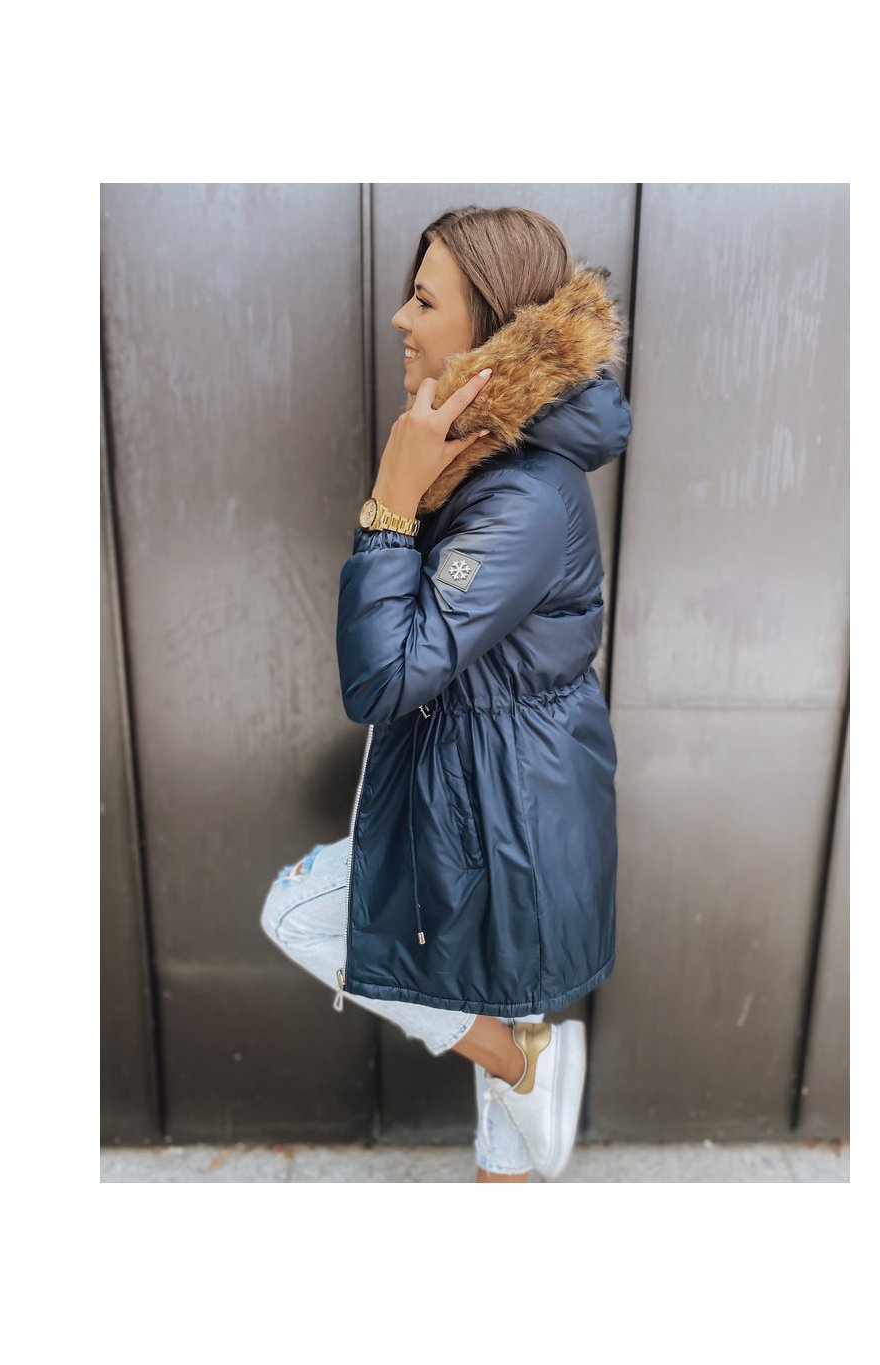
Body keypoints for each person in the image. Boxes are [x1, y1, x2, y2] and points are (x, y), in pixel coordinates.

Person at [260, 205, 632, 1182]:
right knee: (504, 1074)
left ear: (491, 325)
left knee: (297, 914)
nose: (399, 318)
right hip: (495, 797)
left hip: (502, 821)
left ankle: (518, 1063)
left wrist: (388, 503)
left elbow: (385, 677)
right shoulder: (479, 452)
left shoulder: (517, 495)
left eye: (424, 301)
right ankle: (521, 1067)